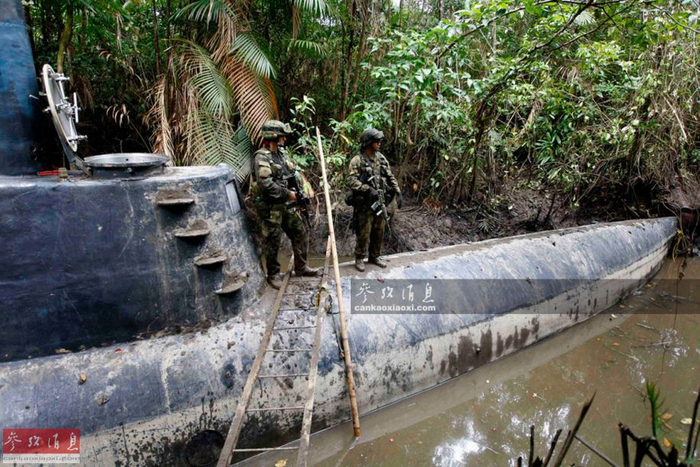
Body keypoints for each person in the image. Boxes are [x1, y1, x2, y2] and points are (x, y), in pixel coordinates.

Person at [253, 119, 320, 289]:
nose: (284, 138)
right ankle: (273, 275)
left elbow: (292, 172)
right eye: (282, 136)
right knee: (273, 241)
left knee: (299, 231)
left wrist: (302, 188)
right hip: (271, 207)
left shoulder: (281, 154)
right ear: (273, 136)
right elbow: (266, 185)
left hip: (285, 204)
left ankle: (301, 267)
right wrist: (289, 195)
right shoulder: (262, 157)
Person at [347, 128, 402, 272]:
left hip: (379, 201)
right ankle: (359, 257)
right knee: (364, 232)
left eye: (379, 141)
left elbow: (389, 175)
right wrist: (366, 188)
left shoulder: (381, 158)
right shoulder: (357, 160)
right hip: (365, 203)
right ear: (368, 142)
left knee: (379, 229)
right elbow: (351, 181)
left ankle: (374, 256)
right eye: (376, 141)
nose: (379, 143)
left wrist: (397, 190)